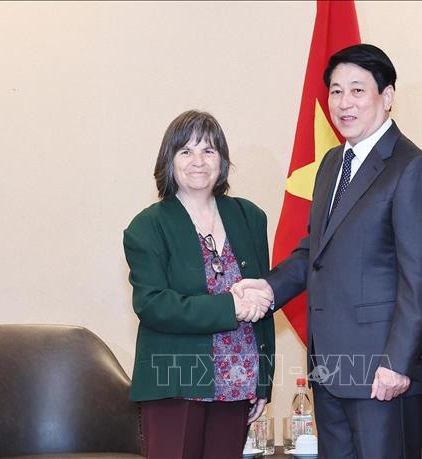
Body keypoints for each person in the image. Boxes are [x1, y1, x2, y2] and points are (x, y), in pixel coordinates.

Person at [235, 44, 422, 458]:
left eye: (357, 90)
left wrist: (397, 363)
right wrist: (270, 289)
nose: (344, 103)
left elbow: (420, 279)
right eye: (335, 91)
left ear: (387, 96)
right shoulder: (332, 163)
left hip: (381, 372)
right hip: (330, 367)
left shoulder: (411, 168)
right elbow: (315, 251)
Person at [123, 110, 275, 458]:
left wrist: (263, 380)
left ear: (222, 160)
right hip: (175, 381)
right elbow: (153, 304)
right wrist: (230, 307)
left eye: (209, 150)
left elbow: (263, 297)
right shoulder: (148, 226)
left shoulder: (249, 217)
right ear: (169, 160)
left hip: (239, 378)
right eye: (186, 151)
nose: (198, 161)